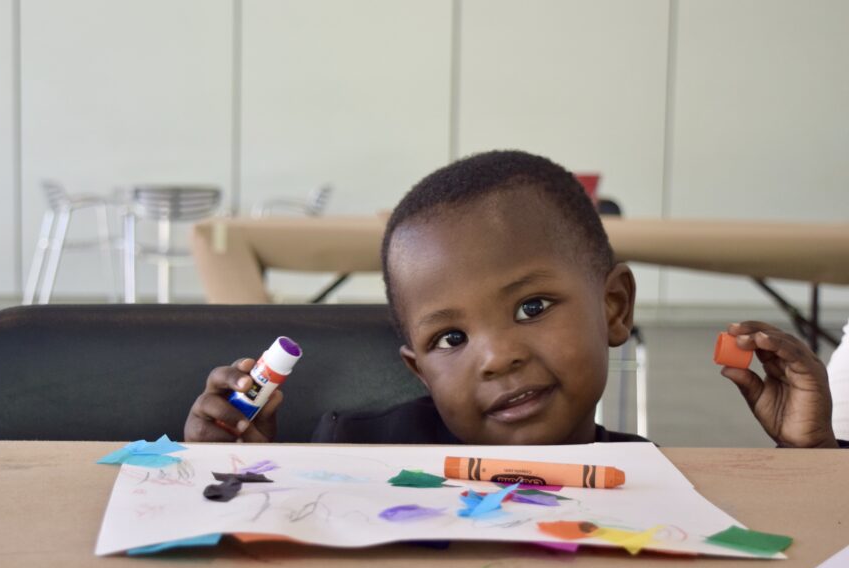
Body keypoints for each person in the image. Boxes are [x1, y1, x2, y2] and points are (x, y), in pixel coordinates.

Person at [184, 150, 842, 449]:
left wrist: (812, 463)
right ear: (419, 369)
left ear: (614, 308)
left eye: (531, 307)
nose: (497, 358)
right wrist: (231, 468)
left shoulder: (647, 478)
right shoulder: (356, 451)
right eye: (451, 339)